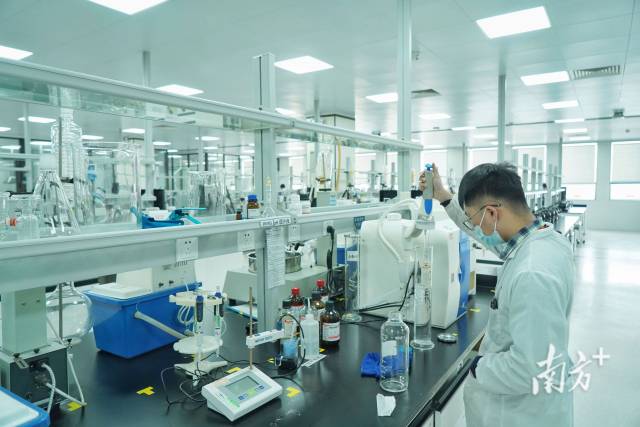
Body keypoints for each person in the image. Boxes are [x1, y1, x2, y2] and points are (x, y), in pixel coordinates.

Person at [420, 162, 575, 427]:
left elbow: (531, 368)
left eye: (475, 219)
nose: (475, 228)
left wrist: (477, 366)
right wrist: (444, 197)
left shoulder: (531, 273)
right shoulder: (544, 241)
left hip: (519, 415)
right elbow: (480, 231)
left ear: (492, 212)